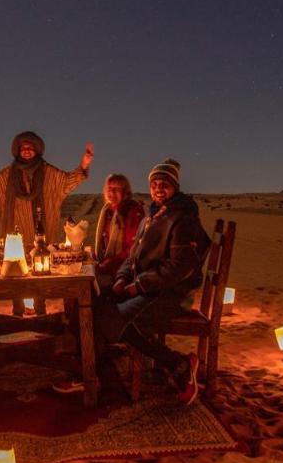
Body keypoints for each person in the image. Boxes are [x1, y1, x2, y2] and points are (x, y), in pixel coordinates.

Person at [57, 159, 208, 404]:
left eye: (165, 184)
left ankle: (178, 364)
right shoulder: (153, 215)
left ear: (175, 187)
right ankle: (90, 369)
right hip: (147, 286)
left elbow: (179, 267)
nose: (159, 188)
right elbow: (132, 255)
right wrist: (120, 278)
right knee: (95, 301)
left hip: (171, 293)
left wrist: (137, 286)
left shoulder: (182, 218)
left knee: (108, 316)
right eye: (155, 184)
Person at [0, 131, 93, 314]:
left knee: (41, 276)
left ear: (37, 150)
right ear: (17, 150)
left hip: (42, 236)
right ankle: (18, 311)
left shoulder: (49, 172)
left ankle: (41, 312)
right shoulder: (8, 175)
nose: (27, 150)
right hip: (15, 239)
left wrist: (83, 165)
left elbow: (66, 182)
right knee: (16, 276)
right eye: (23, 147)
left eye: (31, 147)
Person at [93, 173, 145, 289]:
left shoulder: (131, 212)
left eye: (116, 189)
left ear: (126, 192)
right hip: (107, 264)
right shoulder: (107, 210)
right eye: (109, 188)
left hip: (123, 272)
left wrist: (106, 265)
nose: (111, 193)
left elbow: (132, 250)